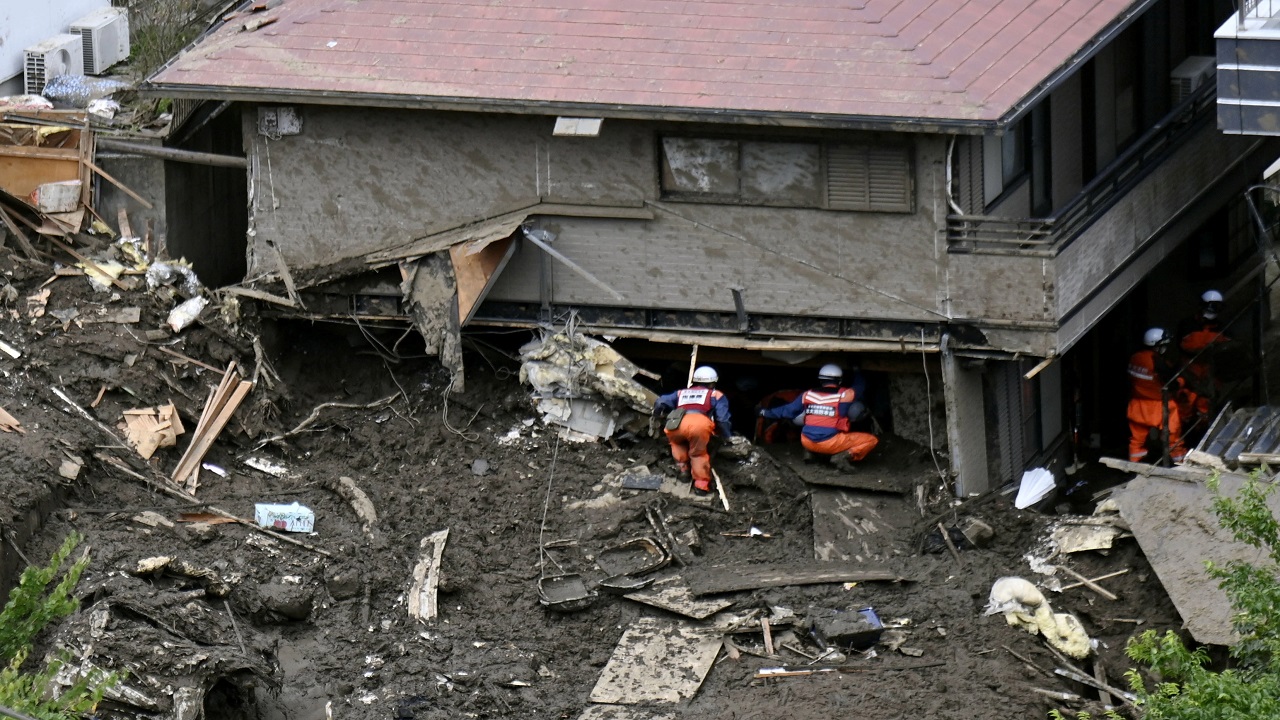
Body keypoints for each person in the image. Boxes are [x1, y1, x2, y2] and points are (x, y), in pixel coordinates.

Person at [759, 364, 878, 468]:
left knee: (806, 419)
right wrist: (856, 370)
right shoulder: (845, 395)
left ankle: (810, 452)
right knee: (871, 440)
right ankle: (844, 456)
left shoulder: (807, 394)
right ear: (840, 380)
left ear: (820, 379)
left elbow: (787, 411)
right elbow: (860, 385)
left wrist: (764, 412)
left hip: (806, 441)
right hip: (830, 443)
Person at [653, 366, 732, 495]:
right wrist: (727, 436)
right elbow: (722, 419)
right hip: (699, 424)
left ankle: (683, 471)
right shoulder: (716, 395)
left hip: (677, 423)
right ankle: (701, 486)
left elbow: (660, 401)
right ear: (713, 383)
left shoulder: (681, 393)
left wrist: (657, 415)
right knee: (698, 454)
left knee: (677, 443)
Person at [1127, 328, 1186, 464]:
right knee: (1173, 438)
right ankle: (1179, 463)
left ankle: (1133, 466)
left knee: (1136, 441)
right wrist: (1181, 381)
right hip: (1160, 406)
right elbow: (1171, 383)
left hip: (1137, 405)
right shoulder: (1157, 362)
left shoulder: (1135, 358)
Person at [1176, 289, 1230, 430]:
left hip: (1209, 373)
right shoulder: (1187, 324)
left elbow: (1227, 346)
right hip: (1190, 372)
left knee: (1206, 407)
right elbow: (1188, 345)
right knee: (1185, 403)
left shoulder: (1221, 327)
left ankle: (1202, 430)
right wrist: (1213, 343)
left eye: (1217, 307)